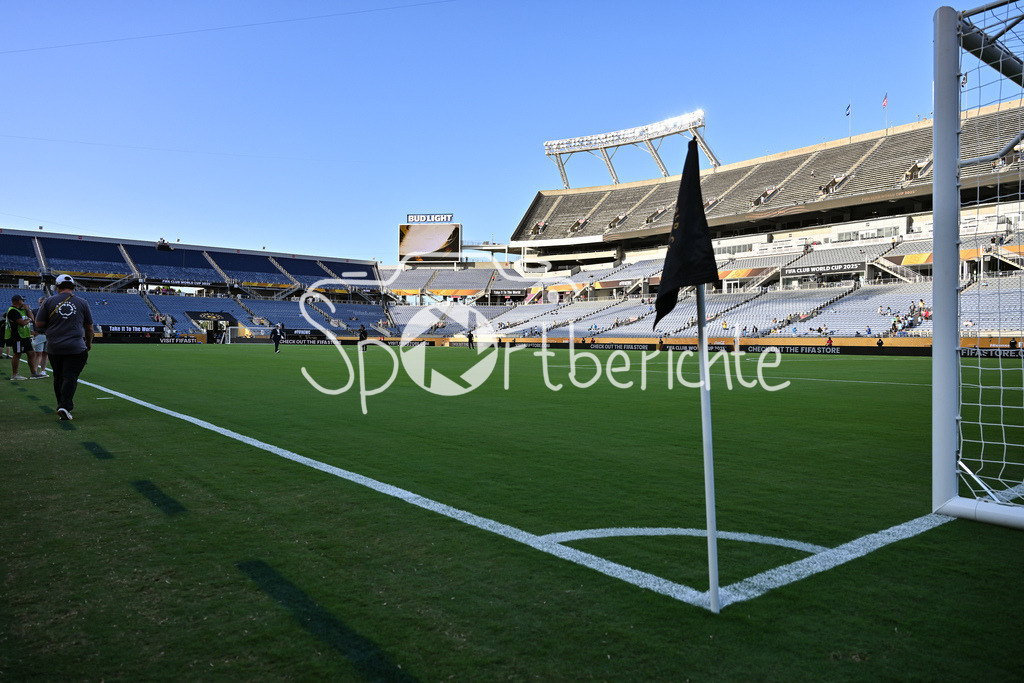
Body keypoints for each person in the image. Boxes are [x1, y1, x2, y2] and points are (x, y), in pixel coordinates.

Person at [35, 275, 93, 421]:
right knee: (70, 376)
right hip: (75, 346)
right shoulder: (82, 302)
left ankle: (61, 404)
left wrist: (54, 322)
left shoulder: (48, 301)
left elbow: (39, 324)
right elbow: (89, 327)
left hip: (54, 347)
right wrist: (89, 343)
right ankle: (65, 407)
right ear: (73, 286)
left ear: (57, 286)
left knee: (58, 376)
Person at [5, 294, 39, 380]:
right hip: (18, 336)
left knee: (31, 353)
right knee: (17, 354)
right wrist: (29, 320)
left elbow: (33, 318)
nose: (23, 302)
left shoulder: (23, 310)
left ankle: (33, 373)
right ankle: (15, 374)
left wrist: (28, 310)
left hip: (25, 336)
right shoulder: (13, 311)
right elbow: (22, 323)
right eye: (22, 300)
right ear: (17, 301)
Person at [31, 296, 48, 376]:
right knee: (38, 354)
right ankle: (34, 371)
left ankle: (43, 370)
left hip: (48, 335)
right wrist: (32, 331)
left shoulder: (50, 312)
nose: (42, 304)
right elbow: (30, 321)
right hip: (39, 335)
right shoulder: (34, 311)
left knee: (45, 354)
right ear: (39, 302)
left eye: (43, 302)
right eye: (41, 302)